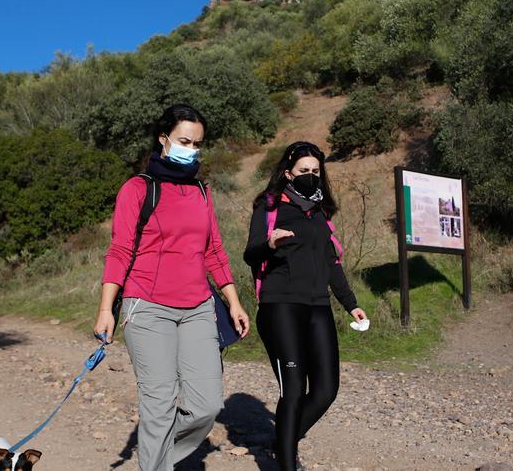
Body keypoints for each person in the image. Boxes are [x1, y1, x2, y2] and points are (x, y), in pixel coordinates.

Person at [94, 104, 250, 471]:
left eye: (197, 144)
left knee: (206, 405)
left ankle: (157, 458)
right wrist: (106, 309)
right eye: (184, 141)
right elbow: (119, 250)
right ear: (163, 139)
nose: (191, 149)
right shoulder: (137, 189)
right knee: (159, 405)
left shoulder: (201, 192)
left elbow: (214, 251)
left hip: (198, 307)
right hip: (146, 307)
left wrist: (234, 302)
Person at [244, 141, 367, 471]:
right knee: (294, 390)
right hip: (280, 305)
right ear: (288, 173)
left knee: (326, 390)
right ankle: (286, 462)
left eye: (315, 171)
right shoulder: (269, 206)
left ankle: (283, 440)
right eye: (304, 171)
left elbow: (332, 264)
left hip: (318, 306)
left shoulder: (320, 212)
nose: (311, 176)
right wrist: (269, 244)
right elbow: (250, 254)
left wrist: (350, 304)